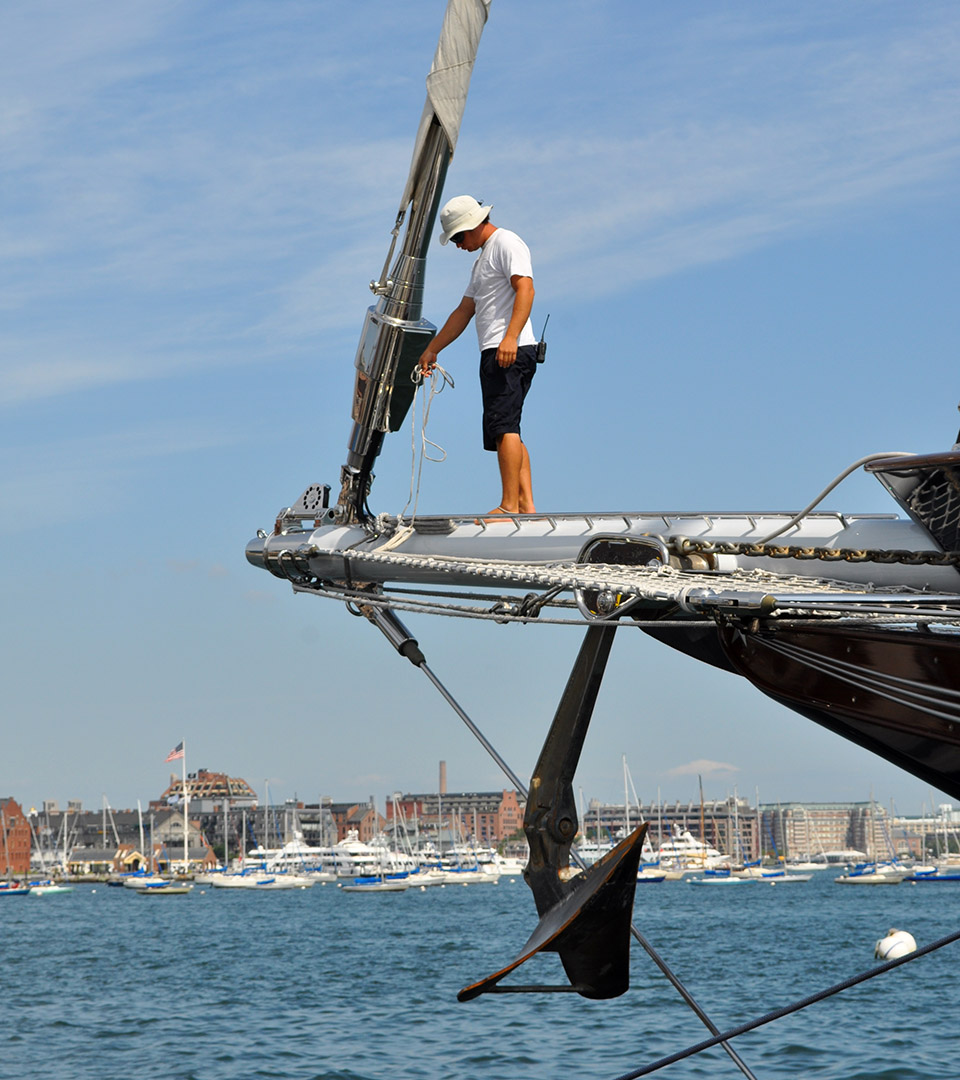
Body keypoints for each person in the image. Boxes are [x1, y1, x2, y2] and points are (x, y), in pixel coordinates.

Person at [419, 195, 537, 516]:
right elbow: (464, 310)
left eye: (458, 237)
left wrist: (510, 337)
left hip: (508, 349)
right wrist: (433, 348)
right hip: (495, 351)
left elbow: (525, 288)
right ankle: (525, 505)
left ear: (473, 224)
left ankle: (510, 505)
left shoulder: (506, 243)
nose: (458, 244)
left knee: (504, 427)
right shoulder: (481, 261)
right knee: (506, 428)